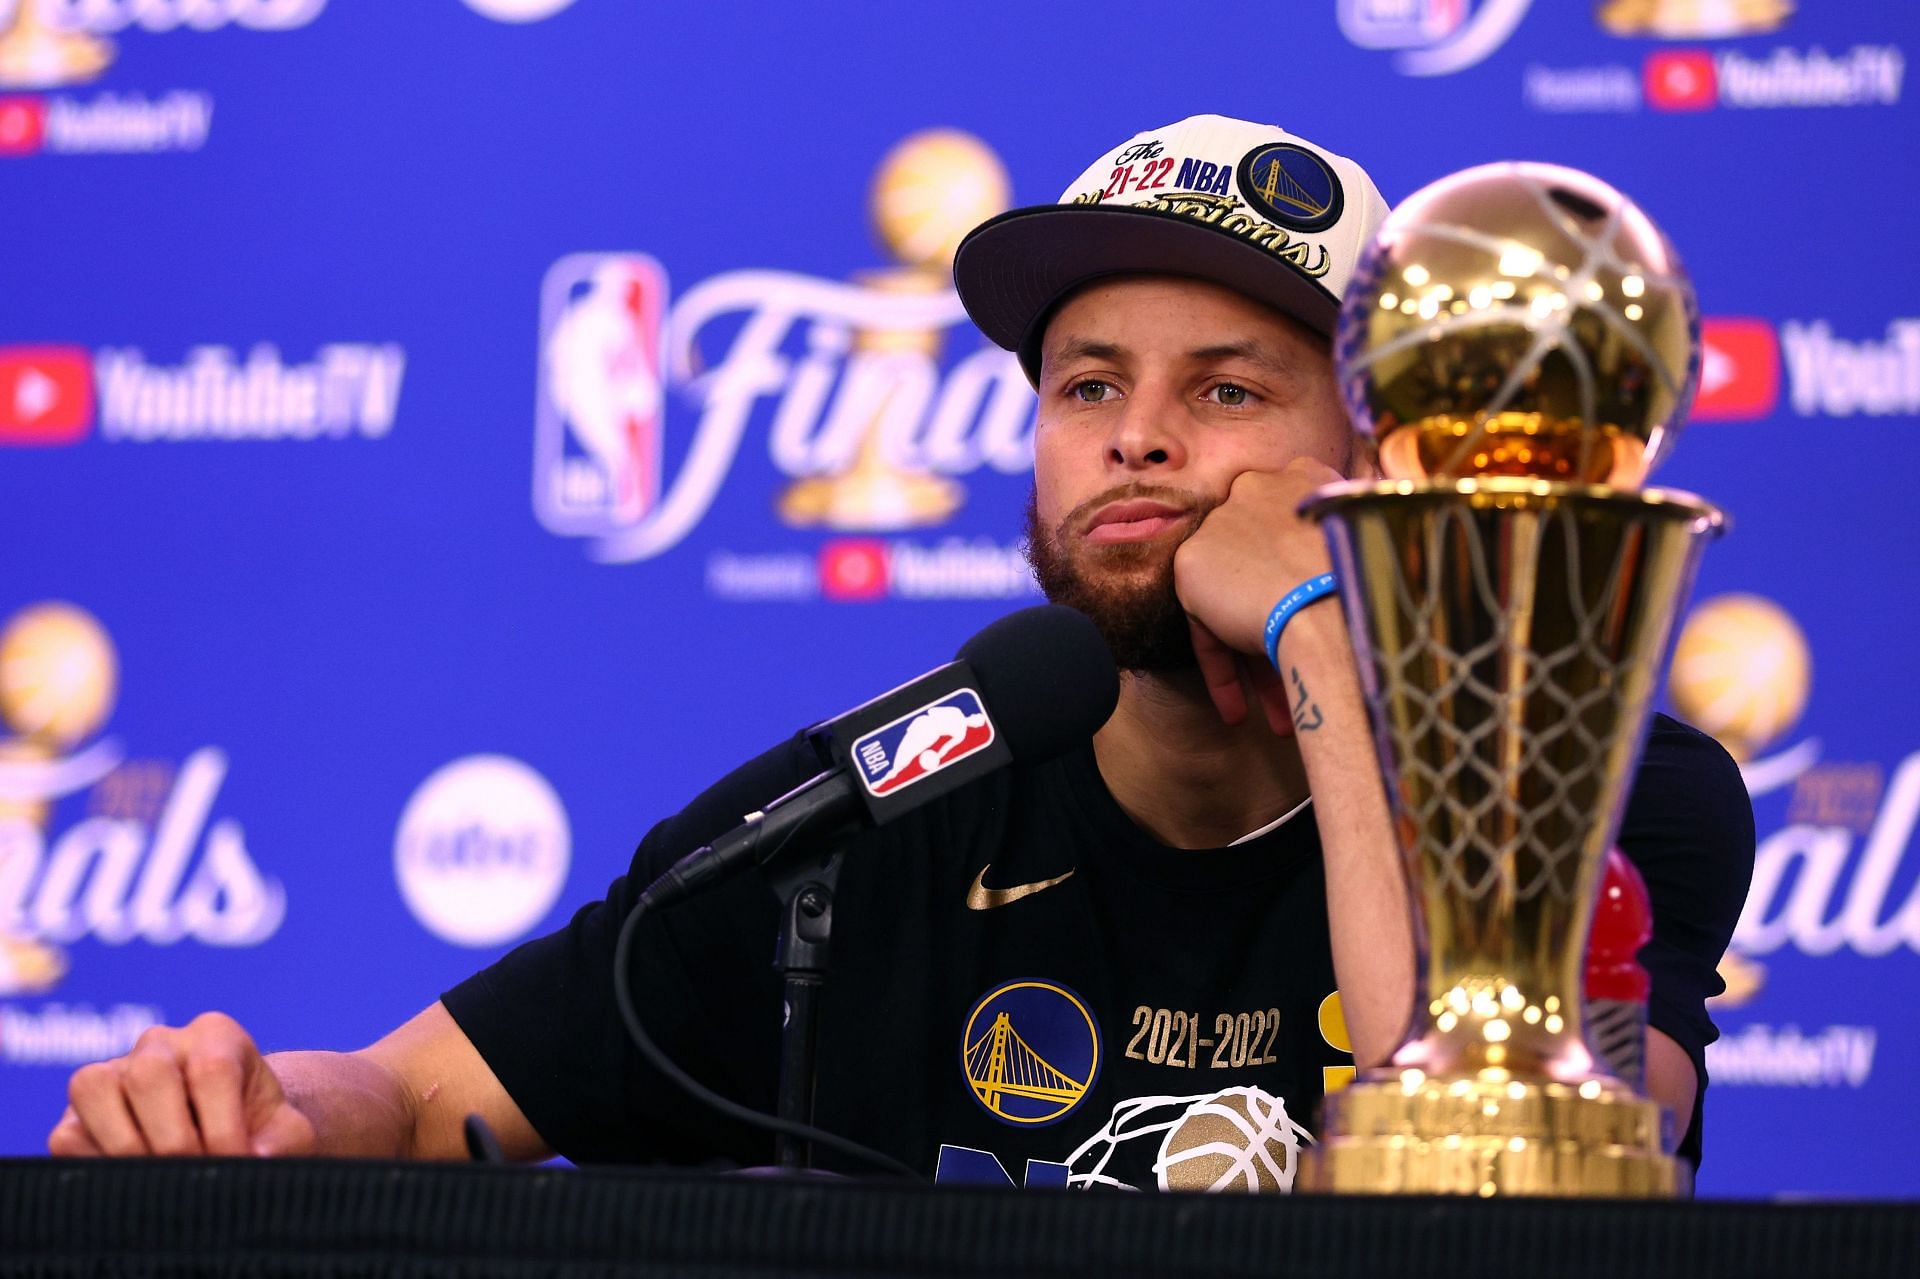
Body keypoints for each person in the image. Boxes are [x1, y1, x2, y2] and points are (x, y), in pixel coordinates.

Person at [47, 115, 1753, 1190]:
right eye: (1088, 387)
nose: (1138, 443)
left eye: (1227, 390)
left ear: (1376, 459)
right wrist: (250, 1110)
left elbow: (1516, 1198)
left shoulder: (1606, 789)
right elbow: (423, 1104)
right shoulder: (910, 783)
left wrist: (1328, 620)